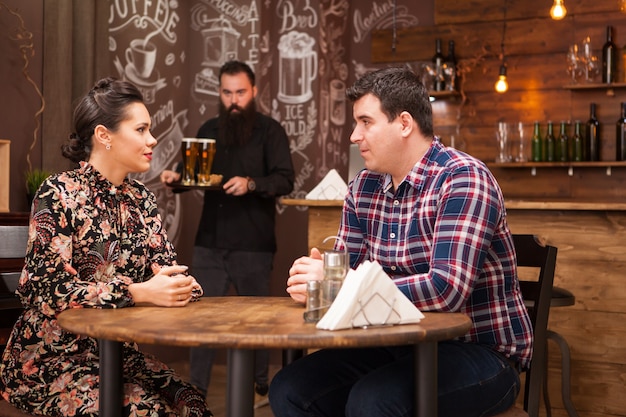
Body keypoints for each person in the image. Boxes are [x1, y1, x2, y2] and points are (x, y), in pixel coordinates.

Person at [270, 67, 533, 417]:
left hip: (479, 352)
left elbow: (446, 288)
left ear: (405, 123)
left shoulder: (463, 178)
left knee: (373, 401)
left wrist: (344, 283)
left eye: (366, 122)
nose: (354, 135)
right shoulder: (363, 187)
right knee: (289, 389)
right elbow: (349, 277)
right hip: (391, 342)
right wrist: (321, 284)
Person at [0, 78, 212, 417]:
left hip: (118, 354)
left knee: (193, 406)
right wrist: (138, 293)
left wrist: (179, 286)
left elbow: (167, 272)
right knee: (150, 413)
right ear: (104, 135)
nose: (152, 139)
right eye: (141, 129)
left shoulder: (141, 199)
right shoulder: (58, 193)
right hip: (48, 361)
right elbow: (44, 290)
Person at [160, 60, 295, 398]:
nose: (234, 100)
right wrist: (176, 179)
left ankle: (261, 381)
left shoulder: (271, 130)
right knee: (201, 318)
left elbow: (285, 179)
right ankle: (197, 389)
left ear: (254, 92)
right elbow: (191, 174)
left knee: (258, 320)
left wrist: (250, 184)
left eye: (241, 93)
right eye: (227, 93)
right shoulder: (208, 129)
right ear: (219, 93)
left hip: (254, 242)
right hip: (210, 240)